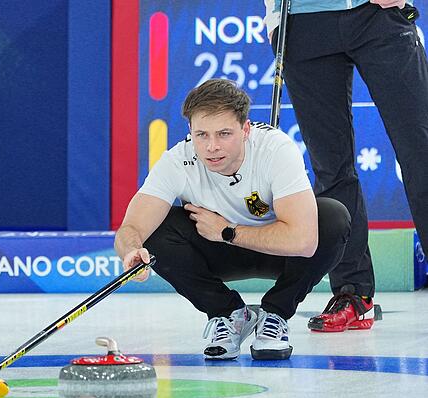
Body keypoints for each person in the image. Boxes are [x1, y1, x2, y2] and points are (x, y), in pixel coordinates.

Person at [115, 79, 352, 361]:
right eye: (201, 135)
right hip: (218, 252)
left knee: (332, 217)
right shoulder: (177, 161)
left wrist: (228, 231)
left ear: (245, 129)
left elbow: (304, 241)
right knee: (154, 233)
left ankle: (276, 314)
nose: (212, 147)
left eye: (224, 133)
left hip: (279, 252)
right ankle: (228, 314)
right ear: (190, 131)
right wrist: (131, 250)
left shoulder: (276, 150)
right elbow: (131, 228)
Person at [264, 0, 428, 332]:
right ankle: (353, 292)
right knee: (330, 166)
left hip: (377, 14)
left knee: (420, 149)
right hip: (302, 20)